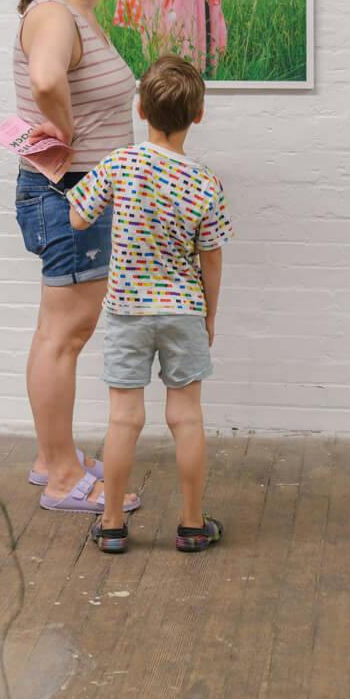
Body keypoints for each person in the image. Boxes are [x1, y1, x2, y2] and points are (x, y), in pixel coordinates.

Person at [66, 55, 230, 554]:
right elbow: (212, 259)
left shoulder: (120, 163)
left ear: (140, 109)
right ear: (197, 116)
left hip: (126, 311)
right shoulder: (206, 183)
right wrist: (209, 316)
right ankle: (192, 523)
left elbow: (77, 218)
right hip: (182, 310)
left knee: (124, 420)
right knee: (187, 418)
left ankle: (113, 524)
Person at [14, 0, 144, 516]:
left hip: (77, 191)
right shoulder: (56, 16)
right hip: (70, 192)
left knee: (57, 332)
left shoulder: (66, 11)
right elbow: (45, 81)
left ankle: (51, 458)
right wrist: (63, 130)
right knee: (65, 335)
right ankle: (64, 476)